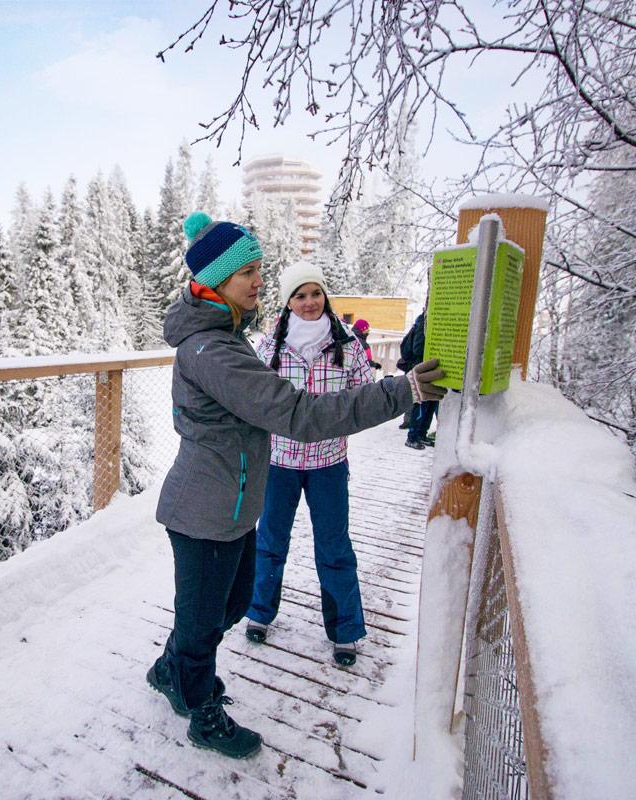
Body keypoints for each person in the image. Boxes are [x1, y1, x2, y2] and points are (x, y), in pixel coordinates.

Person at [147, 212, 446, 760]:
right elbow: (297, 413)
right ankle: (199, 710)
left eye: (260, 270)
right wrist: (400, 394)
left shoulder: (226, 339)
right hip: (204, 509)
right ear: (215, 281)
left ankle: (173, 668)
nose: (260, 281)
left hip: (231, 504)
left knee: (232, 604)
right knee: (201, 622)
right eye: (249, 273)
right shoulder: (213, 350)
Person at [245, 262, 372, 668]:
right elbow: (254, 400)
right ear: (288, 302)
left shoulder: (348, 346)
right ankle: (259, 612)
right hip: (279, 462)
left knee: (334, 547)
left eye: (315, 293)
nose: (309, 302)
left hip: (329, 463)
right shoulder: (270, 347)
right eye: (300, 295)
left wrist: (339, 422)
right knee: (269, 541)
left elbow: (365, 397)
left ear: (325, 296)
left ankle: (345, 630)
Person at [399, 309, 438, 449]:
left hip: (431, 371)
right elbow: (417, 349)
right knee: (421, 404)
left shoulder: (429, 322)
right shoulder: (423, 323)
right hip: (422, 371)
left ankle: (421, 435)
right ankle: (412, 436)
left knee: (431, 404)